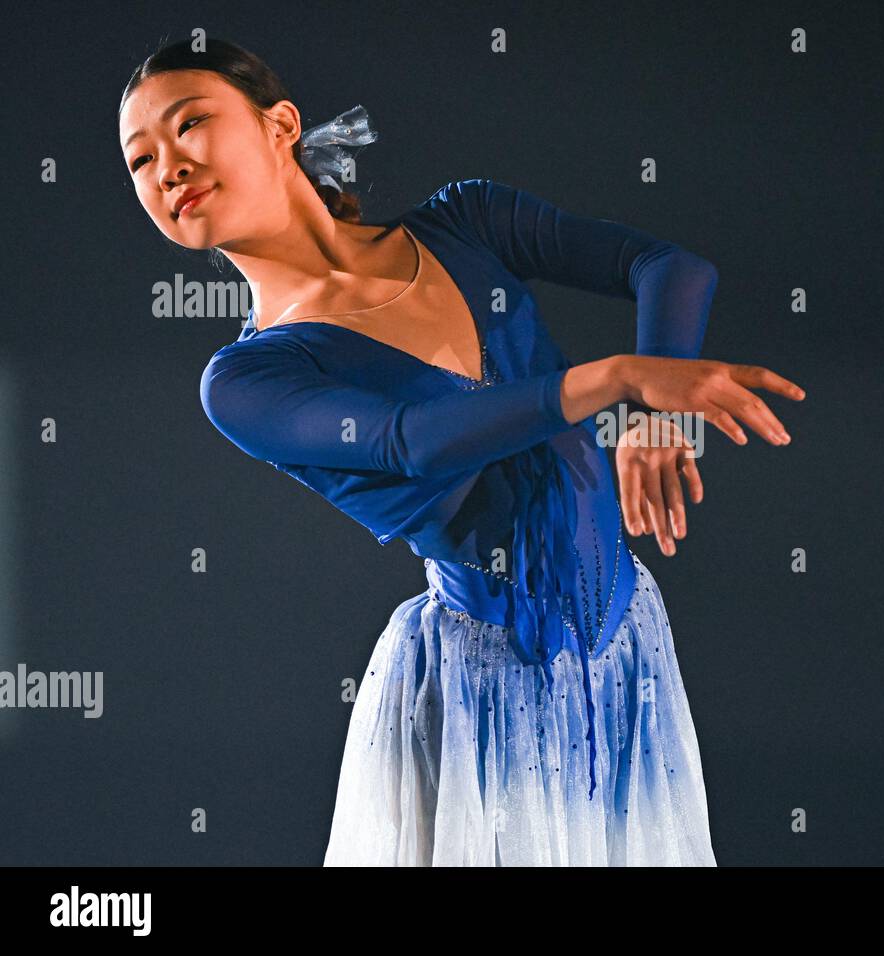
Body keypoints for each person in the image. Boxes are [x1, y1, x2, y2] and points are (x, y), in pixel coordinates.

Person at [119, 38, 804, 865]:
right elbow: (411, 442)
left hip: (629, 655)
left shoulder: (466, 223)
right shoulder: (250, 378)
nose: (167, 166)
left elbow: (669, 266)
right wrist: (621, 377)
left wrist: (657, 418)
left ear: (281, 125)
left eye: (190, 124)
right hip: (484, 698)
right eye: (140, 159)